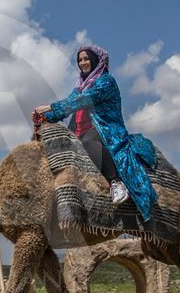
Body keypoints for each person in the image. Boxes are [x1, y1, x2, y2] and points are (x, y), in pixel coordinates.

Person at [33, 45, 158, 221]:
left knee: (88, 144)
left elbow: (83, 100)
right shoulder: (79, 86)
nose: (83, 63)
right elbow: (68, 105)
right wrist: (44, 117)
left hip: (104, 129)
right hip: (78, 129)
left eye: (86, 59)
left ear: (96, 60)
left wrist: (50, 106)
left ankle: (116, 183)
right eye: (80, 60)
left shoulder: (106, 82)